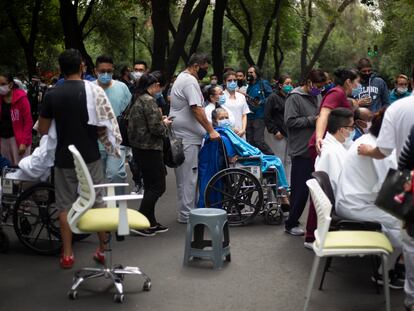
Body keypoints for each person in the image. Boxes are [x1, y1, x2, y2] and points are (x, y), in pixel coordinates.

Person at [38, 49, 118, 269]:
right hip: (90, 156)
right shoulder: (94, 92)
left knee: (64, 205)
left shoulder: (52, 94)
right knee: (97, 201)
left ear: (60, 69)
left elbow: (43, 129)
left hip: (64, 157)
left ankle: (67, 253)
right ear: (82, 67)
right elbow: (105, 123)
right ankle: (102, 249)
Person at [358, 67, 414, 309]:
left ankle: (411, 298)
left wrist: (367, 151)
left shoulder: (397, 109)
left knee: (411, 242)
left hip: (407, 181)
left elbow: (384, 151)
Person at [336, 109, 403, 289]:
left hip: (355, 199)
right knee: (403, 223)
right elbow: (389, 189)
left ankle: (395, 263)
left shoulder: (369, 141)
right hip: (355, 205)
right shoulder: (380, 151)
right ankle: (385, 273)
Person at [169, 53, 220, 223]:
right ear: (197, 66)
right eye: (205, 67)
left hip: (185, 135)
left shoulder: (183, 78)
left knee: (186, 176)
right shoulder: (189, 81)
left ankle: (187, 211)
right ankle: (187, 214)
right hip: (187, 138)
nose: (206, 71)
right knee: (188, 176)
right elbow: (196, 109)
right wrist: (211, 130)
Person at [128, 71, 172, 236]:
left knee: (150, 186)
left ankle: (150, 222)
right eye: (157, 86)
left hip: (140, 148)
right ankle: (140, 221)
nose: (159, 88)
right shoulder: (148, 101)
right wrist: (165, 123)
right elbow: (156, 128)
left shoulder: (138, 98)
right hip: (149, 149)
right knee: (158, 186)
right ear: (153, 86)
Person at [283, 69, 326, 236]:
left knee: (315, 189)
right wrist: (313, 120)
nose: (319, 89)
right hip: (301, 149)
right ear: (308, 82)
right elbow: (290, 121)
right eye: (317, 86)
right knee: (300, 189)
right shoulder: (294, 97)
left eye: (322, 87)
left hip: (315, 148)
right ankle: (291, 223)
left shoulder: (318, 95)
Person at [94, 55, 131, 195]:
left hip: (116, 141)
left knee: (116, 175)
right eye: (102, 71)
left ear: (113, 70)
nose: (106, 74)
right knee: (98, 180)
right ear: (95, 71)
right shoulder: (89, 88)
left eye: (109, 71)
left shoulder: (122, 88)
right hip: (94, 142)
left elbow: (128, 110)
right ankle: (101, 209)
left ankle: (118, 208)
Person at [264, 75, 293, 182]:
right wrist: (275, 131)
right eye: (287, 84)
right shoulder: (273, 97)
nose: (289, 86)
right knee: (279, 160)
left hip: (290, 133)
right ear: (280, 85)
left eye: (291, 83)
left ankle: (288, 185)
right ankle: (278, 185)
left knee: (289, 160)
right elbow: (267, 116)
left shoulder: (291, 96)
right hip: (278, 134)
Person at [0, 73, 32, 165]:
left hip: (18, 140)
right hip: (3, 140)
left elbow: (28, 122)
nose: (0, 87)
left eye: (3, 84)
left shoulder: (21, 98)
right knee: (6, 169)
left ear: (10, 84)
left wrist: (24, 142)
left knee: (19, 168)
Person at [245, 65, 273, 155]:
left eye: (251, 72)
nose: (249, 74)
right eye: (248, 72)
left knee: (258, 140)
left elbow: (271, 97)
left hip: (259, 116)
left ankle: (272, 157)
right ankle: (256, 160)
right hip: (249, 116)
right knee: (250, 141)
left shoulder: (263, 83)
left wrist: (261, 102)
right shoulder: (249, 85)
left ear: (257, 73)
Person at [222, 70, 250, 138]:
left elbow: (244, 115)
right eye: (229, 80)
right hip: (227, 133)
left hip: (241, 133)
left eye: (235, 80)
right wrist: (232, 129)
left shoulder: (241, 96)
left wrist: (243, 129)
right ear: (224, 82)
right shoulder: (220, 97)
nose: (233, 82)